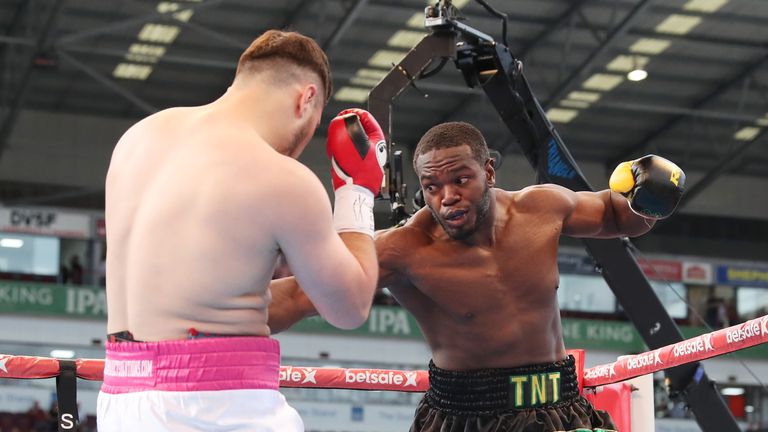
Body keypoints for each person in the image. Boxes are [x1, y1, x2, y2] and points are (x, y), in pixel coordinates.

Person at [270, 122, 686, 431]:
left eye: (460, 179)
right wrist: (215, 314)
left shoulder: (541, 208)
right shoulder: (403, 248)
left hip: (559, 404)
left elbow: (617, 216)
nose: (447, 196)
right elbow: (295, 296)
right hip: (465, 416)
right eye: (431, 186)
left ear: (488, 172)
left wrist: (647, 199)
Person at [98, 29, 386, 431]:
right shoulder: (282, 178)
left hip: (121, 400)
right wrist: (357, 193)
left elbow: (210, 291)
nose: (302, 143)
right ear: (306, 100)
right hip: (214, 407)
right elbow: (349, 307)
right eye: (313, 124)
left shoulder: (137, 138)